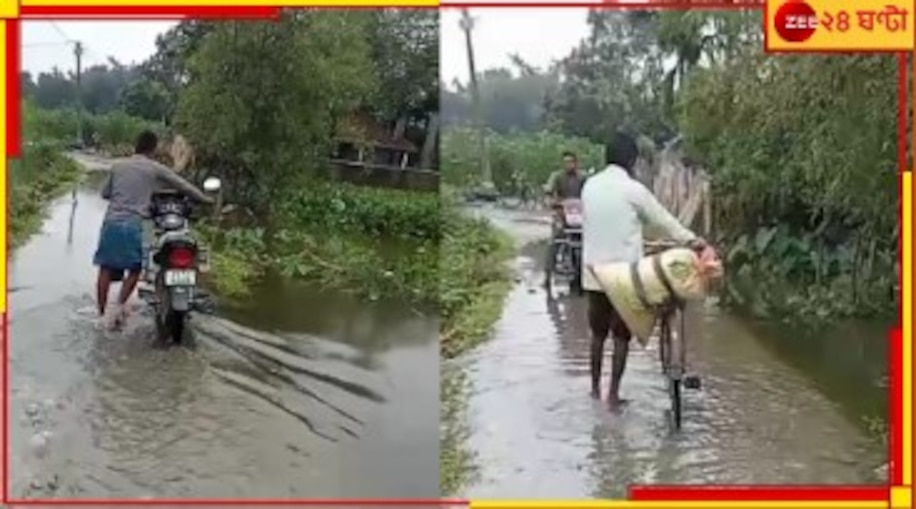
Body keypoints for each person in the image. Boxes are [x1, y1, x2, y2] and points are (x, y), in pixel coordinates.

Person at [580, 132, 704, 411]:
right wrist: (691, 240)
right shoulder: (633, 190)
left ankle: (593, 390)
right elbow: (663, 220)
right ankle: (613, 395)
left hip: (593, 274)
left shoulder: (589, 186)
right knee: (621, 335)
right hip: (624, 277)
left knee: (598, 335)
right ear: (632, 160)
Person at [94, 130, 213, 328]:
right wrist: (205, 199)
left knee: (105, 268)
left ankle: (100, 313)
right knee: (135, 268)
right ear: (154, 149)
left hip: (112, 223)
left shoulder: (118, 166)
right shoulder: (155, 168)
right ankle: (119, 305)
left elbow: (104, 193)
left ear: (136, 146)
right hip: (135, 224)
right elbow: (184, 186)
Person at [543, 151, 587, 287]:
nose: (569, 165)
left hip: (580, 216)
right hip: (562, 214)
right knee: (554, 242)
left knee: (589, 242)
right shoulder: (557, 176)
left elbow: (591, 190)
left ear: (576, 163)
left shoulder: (583, 177)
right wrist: (551, 201)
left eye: (572, 162)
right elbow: (549, 190)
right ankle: (547, 275)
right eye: (566, 162)